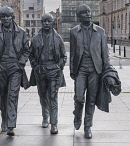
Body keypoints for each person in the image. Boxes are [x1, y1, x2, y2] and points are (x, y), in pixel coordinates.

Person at [70, 4, 121, 139]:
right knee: (79, 97)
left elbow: (105, 54)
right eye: (85, 13)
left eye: (89, 12)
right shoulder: (74, 31)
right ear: (79, 17)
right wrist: (72, 70)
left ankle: (88, 127)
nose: (88, 14)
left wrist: (108, 70)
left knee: (91, 99)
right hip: (80, 69)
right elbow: (73, 54)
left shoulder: (100, 31)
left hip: (95, 70)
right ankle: (77, 115)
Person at [0, 6, 30, 136]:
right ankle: (4, 120)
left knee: (12, 95)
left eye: (8, 16)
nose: (5, 19)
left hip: (15, 68)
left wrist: (20, 63)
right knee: (3, 96)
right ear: (0, 18)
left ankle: (11, 124)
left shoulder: (21, 32)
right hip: (0, 68)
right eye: (3, 16)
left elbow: (26, 50)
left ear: (12, 17)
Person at [29, 13, 67, 134]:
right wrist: (36, 66)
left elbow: (63, 56)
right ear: (41, 23)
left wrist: (58, 66)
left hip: (54, 71)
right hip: (41, 70)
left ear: (52, 23)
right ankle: (45, 117)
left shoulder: (58, 38)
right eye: (44, 21)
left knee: (53, 97)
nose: (46, 23)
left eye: (49, 21)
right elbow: (31, 55)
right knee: (42, 95)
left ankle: (54, 123)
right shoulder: (35, 39)